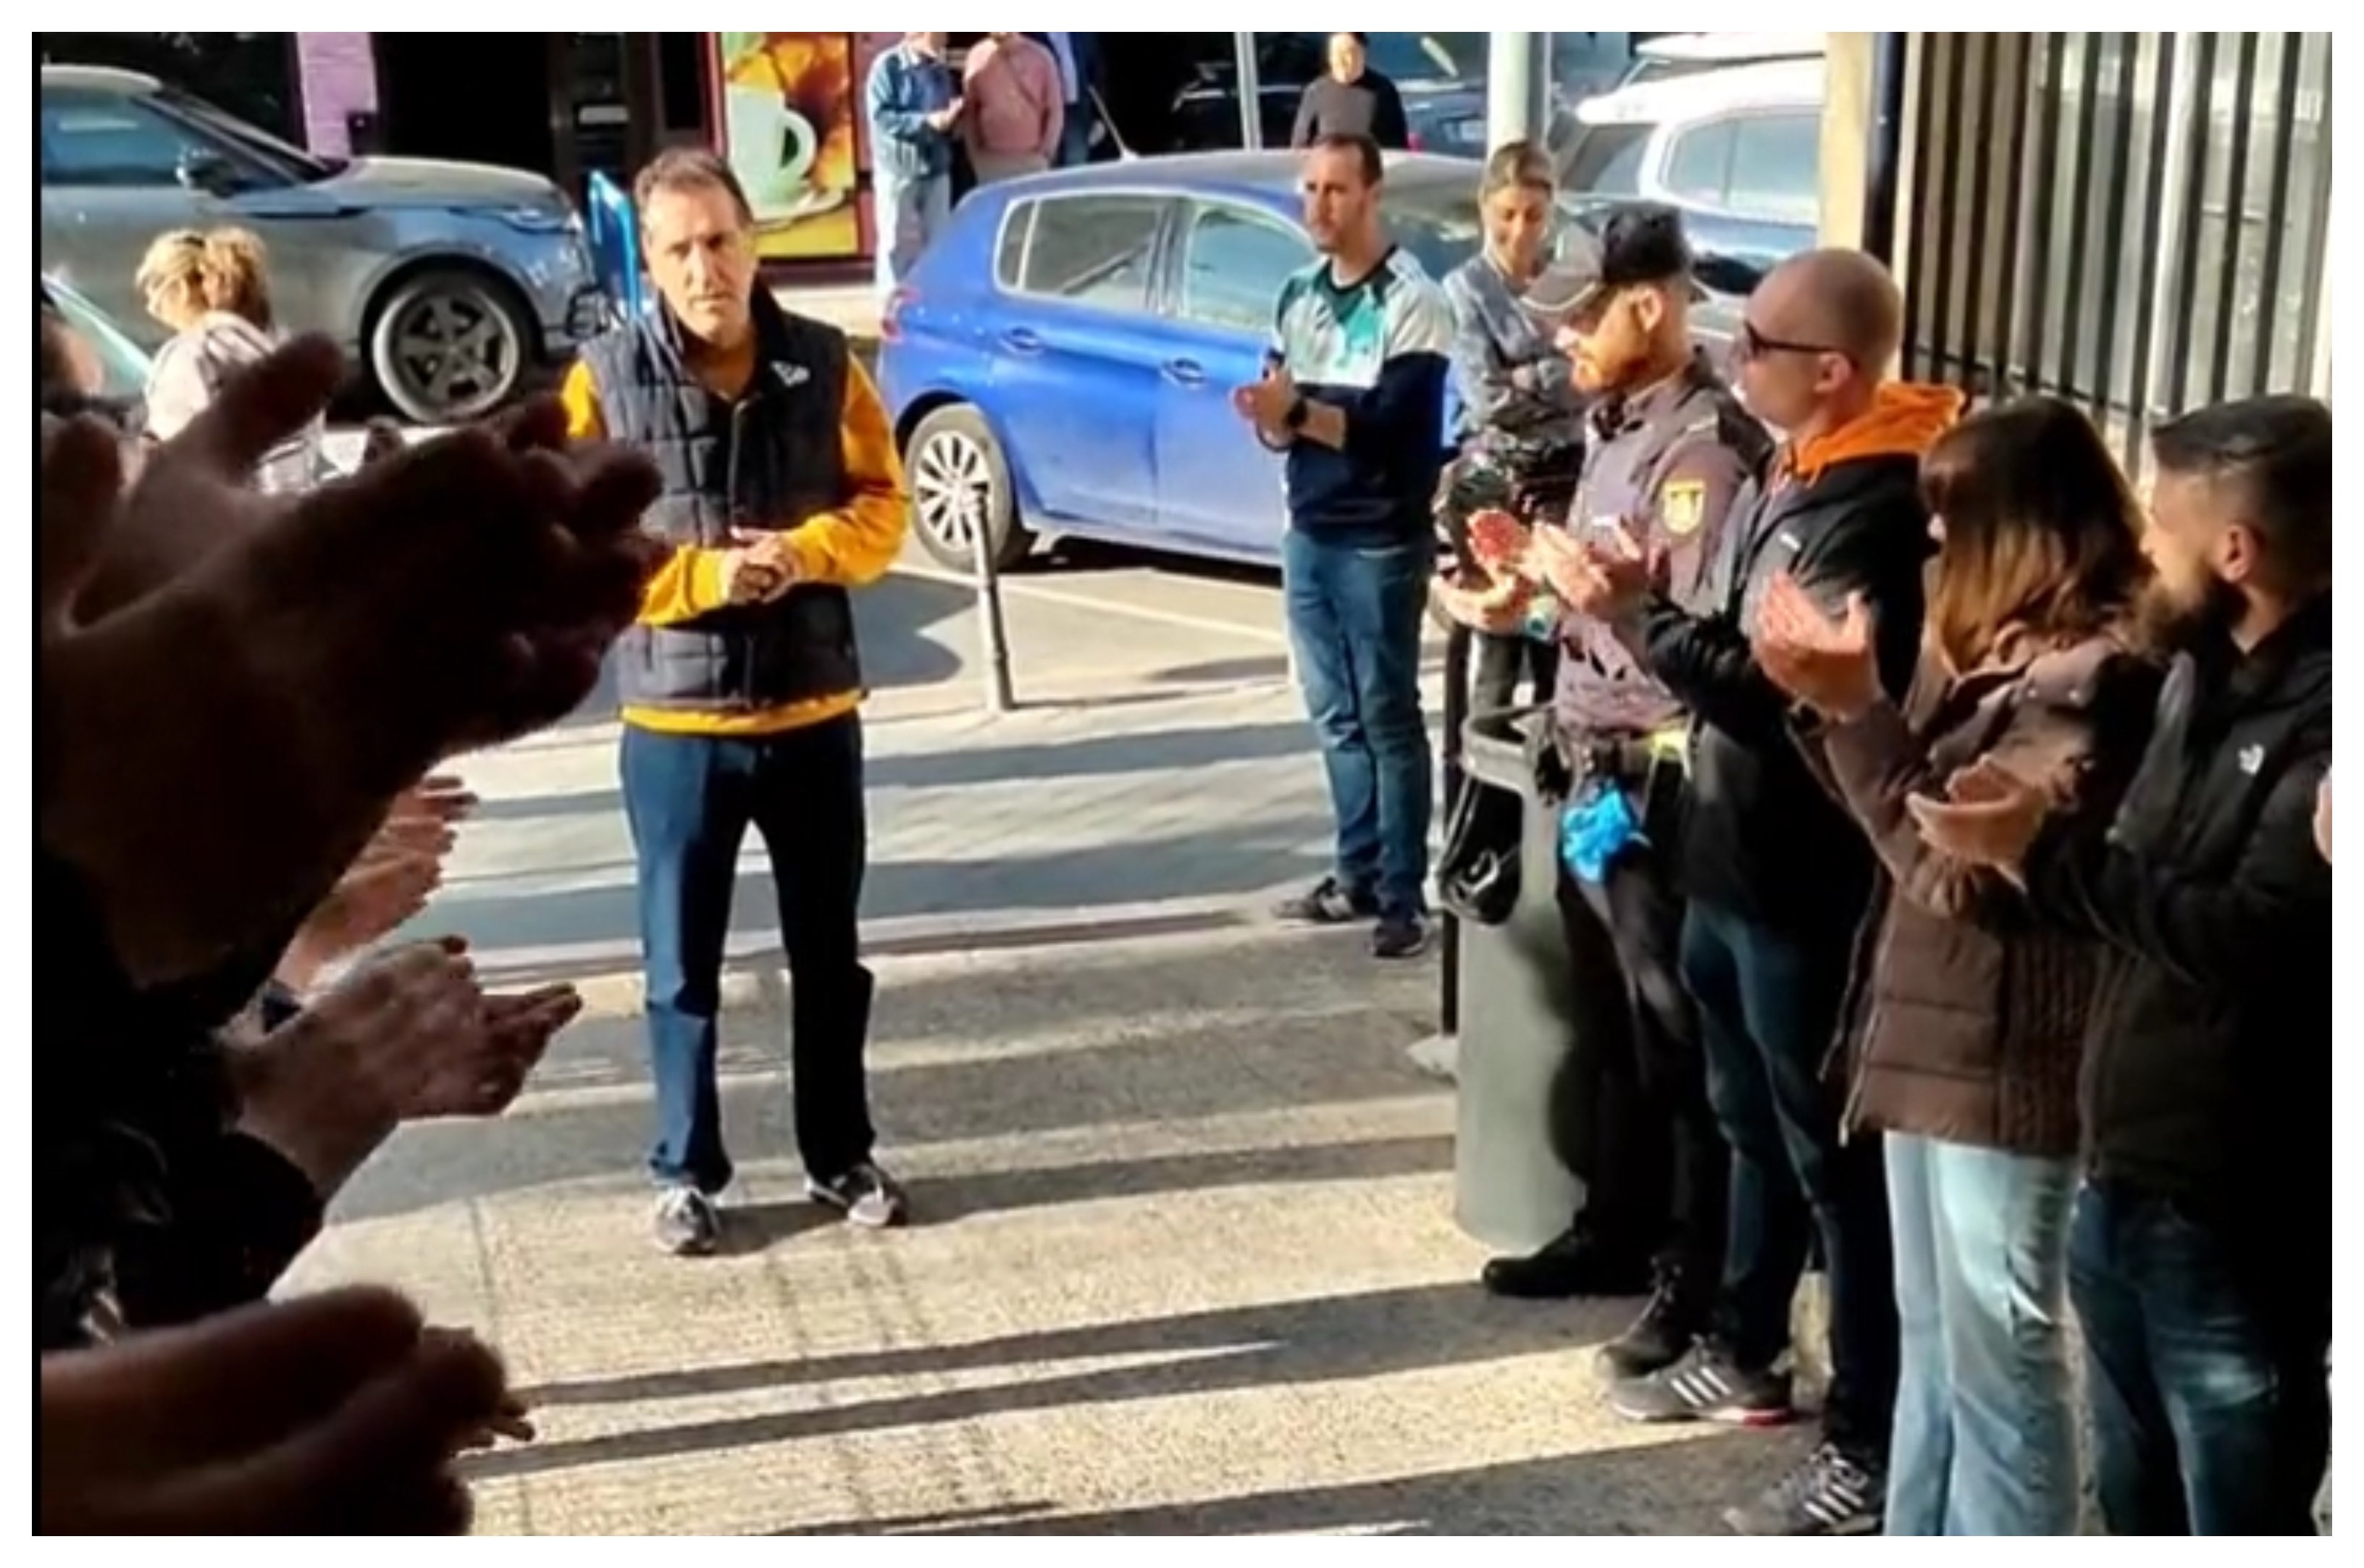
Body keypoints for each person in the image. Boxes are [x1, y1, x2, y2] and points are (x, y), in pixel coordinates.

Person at [1544, 249, 1961, 1535]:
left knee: (1832, 1167)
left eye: (1761, 343)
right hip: (1727, 857)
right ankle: (1744, 1341)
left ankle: (1866, 1438)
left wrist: (1636, 615)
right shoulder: (1793, 469)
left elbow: (1776, 689)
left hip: (1801, 882)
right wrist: (1650, 596)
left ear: (1830, 371)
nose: (1735, 355)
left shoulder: (1869, 504)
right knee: (1744, 1123)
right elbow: (1731, 636)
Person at [1911, 395, 2332, 1536]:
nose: (2142, 543)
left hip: (2234, 1207)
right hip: (2125, 1163)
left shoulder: (2323, 722)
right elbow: (2137, 876)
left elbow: (2250, 940)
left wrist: (2040, 854)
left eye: (2163, 521)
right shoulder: (2197, 670)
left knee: (2235, 1512)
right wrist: (2033, 837)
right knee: (2134, 1500)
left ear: (2235, 550)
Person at [1754, 396, 2162, 1535]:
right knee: (1935, 1344)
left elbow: (1954, 872)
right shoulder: (1991, 644)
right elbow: (1893, 823)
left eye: (1951, 520)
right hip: (1933, 1034)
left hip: (2006, 1055)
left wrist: (1859, 712)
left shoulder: (2097, 678)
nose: (1932, 541)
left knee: (2002, 1354)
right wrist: (1835, 706)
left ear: (2021, 530)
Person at [559, 148, 910, 1257]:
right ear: (649, 263)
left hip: (813, 717)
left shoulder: (825, 363)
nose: (704, 268)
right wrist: (705, 577)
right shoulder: (601, 381)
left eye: (720, 241)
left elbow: (884, 505)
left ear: (755, 243)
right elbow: (580, 552)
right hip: (677, 732)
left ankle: (839, 1152)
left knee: (829, 957)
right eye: (679, 250)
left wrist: (805, 552)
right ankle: (684, 1170)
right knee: (680, 971)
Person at [1459, 206, 1768, 1386]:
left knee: (1678, 1043)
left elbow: (1691, 642)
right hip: (1589, 762)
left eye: (1583, 315)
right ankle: (1615, 1225)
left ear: (1648, 303)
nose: (1562, 337)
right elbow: (1599, 601)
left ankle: (1692, 1279)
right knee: (1614, 1029)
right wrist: (1530, 600)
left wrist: (1587, 599)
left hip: (1661, 779)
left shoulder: (1703, 452)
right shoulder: (1615, 425)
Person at [1235, 132, 1454, 960]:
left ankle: (1404, 893)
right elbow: (1282, 413)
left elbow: (1390, 432)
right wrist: (1274, 418)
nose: (1318, 206)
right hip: (1310, 530)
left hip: (1379, 540)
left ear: (1372, 195)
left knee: (1388, 715)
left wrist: (1296, 414)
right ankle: (1355, 872)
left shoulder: (1411, 301)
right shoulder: (1297, 293)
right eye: (1310, 189)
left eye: (1335, 190)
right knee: (1335, 714)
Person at [1434, 140, 1583, 713]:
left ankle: (1550, 753)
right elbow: (1488, 398)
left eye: (1534, 216)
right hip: (1497, 480)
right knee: (1500, 640)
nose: (1520, 231)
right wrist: (1554, 376)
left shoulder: (1565, 284)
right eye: (1507, 215)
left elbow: (1591, 380)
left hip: (1564, 478)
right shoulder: (1466, 288)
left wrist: (1529, 376)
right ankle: (1484, 756)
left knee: (1555, 638)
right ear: (1485, 209)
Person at [136, 227, 327, 492]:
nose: (151, 310)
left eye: (155, 299)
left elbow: (181, 456)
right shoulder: (283, 349)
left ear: (181, 290)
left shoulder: (190, 358)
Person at [865, 31, 961, 299]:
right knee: (896, 243)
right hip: (899, 169)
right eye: (939, 34)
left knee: (940, 240)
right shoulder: (888, 67)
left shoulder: (939, 70)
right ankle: (892, 303)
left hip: (936, 167)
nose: (945, 39)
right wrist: (926, 122)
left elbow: (945, 111)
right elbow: (881, 117)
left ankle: (937, 299)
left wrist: (953, 120)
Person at [961, 31, 1062, 187]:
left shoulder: (1041, 56)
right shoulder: (977, 56)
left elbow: (1055, 110)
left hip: (1031, 159)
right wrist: (974, 154)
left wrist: (1046, 153)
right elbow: (970, 112)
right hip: (990, 160)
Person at [1291, 33, 1410, 151]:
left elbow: (1397, 146)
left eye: (1347, 53)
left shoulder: (1383, 90)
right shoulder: (1316, 91)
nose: (1341, 61)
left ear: (1362, 53)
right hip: (1328, 161)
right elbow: (1300, 146)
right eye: (1336, 54)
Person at [1028, 30, 1102, 166]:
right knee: (1045, 165)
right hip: (1042, 115)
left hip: (1075, 110)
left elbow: (1095, 70)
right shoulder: (1029, 35)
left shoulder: (1081, 34)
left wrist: (1099, 117)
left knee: (1076, 165)